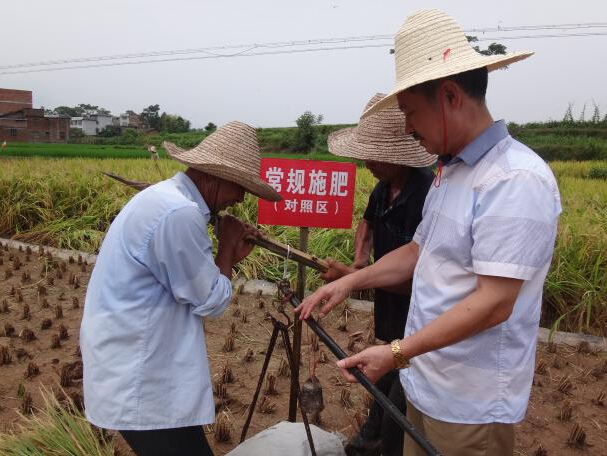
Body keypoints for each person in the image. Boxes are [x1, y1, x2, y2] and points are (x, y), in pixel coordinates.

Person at [297, 9, 561, 456]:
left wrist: (397, 352)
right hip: (427, 385)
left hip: (469, 408)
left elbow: (495, 301)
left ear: (449, 96)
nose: (407, 129)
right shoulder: (450, 173)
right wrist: (351, 281)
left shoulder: (515, 180)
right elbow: (420, 251)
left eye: (410, 112)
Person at [80, 121, 281, 456]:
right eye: (240, 187)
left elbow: (195, 282)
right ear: (215, 177)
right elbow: (211, 300)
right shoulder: (180, 215)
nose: (242, 197)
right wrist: (227, 248)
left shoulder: (164, 199)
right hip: (142, 380)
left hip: (139, 368)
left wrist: (229, 253)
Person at [323, 93, 435, 456]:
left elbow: (421, 280)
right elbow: (367, 223)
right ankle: (367, 444)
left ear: (396, 155)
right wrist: (358, 263)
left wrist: (356, 278)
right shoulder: (383, 188)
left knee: (399, 398)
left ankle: (374, 444)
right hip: (389, 310)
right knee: (386, 377)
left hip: (419, 322)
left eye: (372, 155)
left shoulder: (428, 194)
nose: (366, 162)